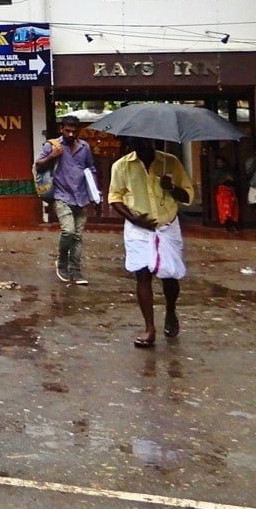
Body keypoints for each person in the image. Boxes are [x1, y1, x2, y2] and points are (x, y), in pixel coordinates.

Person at [108, 136, 194, 348]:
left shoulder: (171, 162)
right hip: (138, 227)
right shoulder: (121, 166)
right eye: (138, 144)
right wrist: (134, 218)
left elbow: (188, 195)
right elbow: (114, 197)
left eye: (147, 142)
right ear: (132, 145)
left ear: (153, 141)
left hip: (167, 225)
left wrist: (171, 187)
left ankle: (171, 310)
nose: (144, 147)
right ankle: (149, 328)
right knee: (142, 274)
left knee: (169, 276)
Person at [35, 113, 96, 284]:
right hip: (61, 196)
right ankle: (62, 262)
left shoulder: (85, 147)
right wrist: (52, 156)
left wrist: (94, 191)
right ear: (61, 129)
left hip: (81, 197)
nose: (71, 134)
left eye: (74, 132)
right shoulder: (52, 145)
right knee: (68, 231)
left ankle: (76, 271)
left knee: (77, 236)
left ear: (79, 132)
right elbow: (38, 165)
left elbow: (90, 168)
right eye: (68, 131)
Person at [212, 156, 239, 233]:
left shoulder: (229, 170)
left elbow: (235, 180)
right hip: (222, 192)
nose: (219, 164)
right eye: (218, 162)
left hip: (230, 191)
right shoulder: (216, 172)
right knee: (223, 211)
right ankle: (225, 226)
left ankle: (233, 226)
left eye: (221, 162)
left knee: (233, 210)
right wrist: (225, 179)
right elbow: (215, 182)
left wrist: (232, 179)